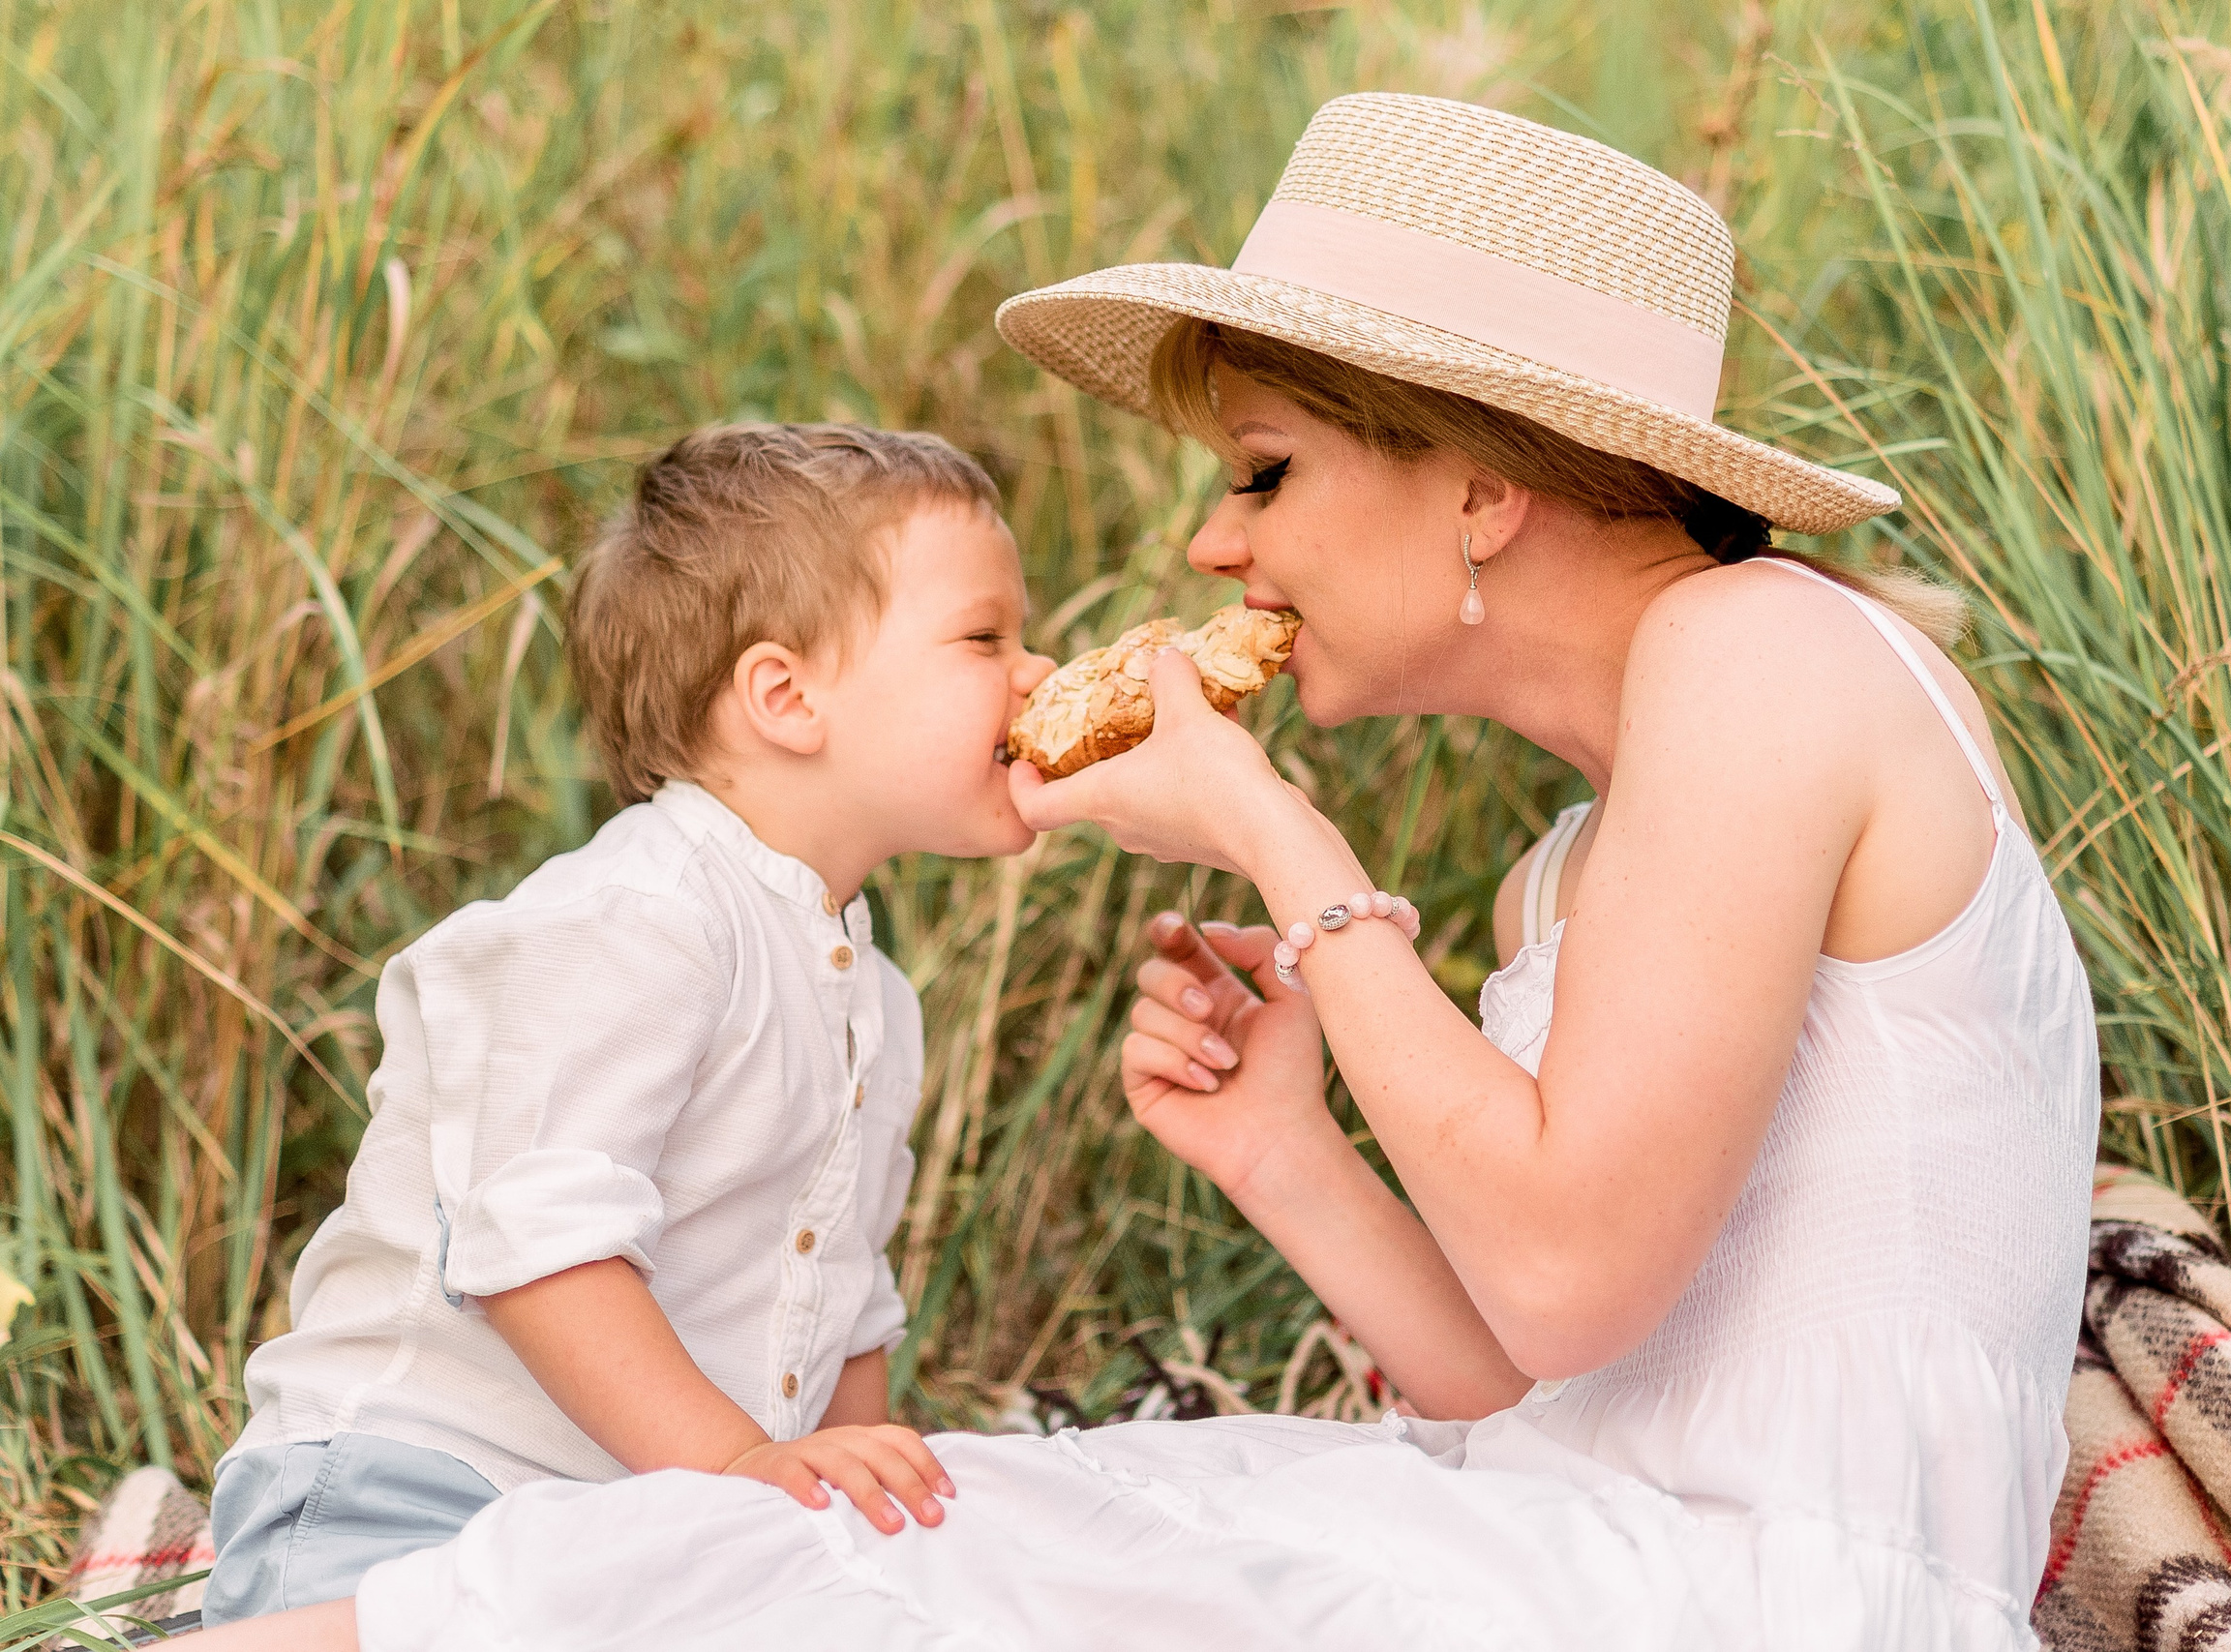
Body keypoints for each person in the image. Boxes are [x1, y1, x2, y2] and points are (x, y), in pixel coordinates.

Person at [197, 92, 2099, 1652]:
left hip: (1764, 1596)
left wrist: (1277, 836)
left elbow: (1569, 1270)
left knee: (910, 1564)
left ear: (1473, 486)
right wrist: (1279, 1141)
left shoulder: (1759, 650)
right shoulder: (1567, 866)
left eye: (1262, 470)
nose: (1210, 543)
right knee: (951, 1513)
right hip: (1562, 1523)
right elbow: (1518, 1367)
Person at [197, 425, 1053, 1624]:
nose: (1039, 671)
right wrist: (746, 1469)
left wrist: (866, 1532)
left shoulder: (875, 998)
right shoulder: (634, 921)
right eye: (986, 638)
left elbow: (846, 1304)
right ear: (785, 695)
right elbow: (542, 1250)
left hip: (646, 1519)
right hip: (420, 1489)